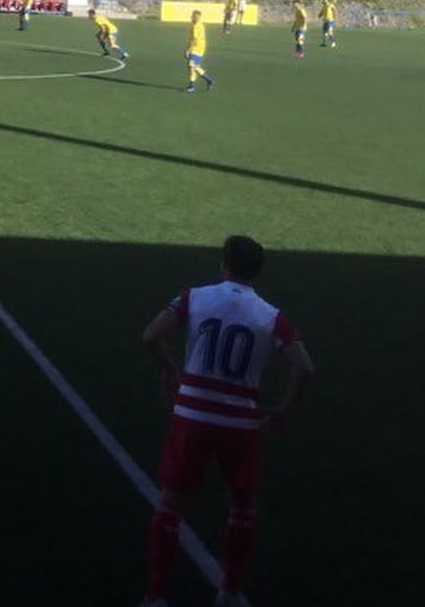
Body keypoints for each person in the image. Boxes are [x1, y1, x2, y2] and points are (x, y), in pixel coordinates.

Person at [138, 236, 314, 607]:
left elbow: (151, 335)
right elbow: (304, 367)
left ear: (224, 264)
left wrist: (172, 372)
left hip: (193, 414)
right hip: (241, 422)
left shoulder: (195, 297)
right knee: (243, 505)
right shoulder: (271, 316)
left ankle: (155, 595)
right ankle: (229, 591)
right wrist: (283, 410)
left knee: (171, 504)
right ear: (258, 272)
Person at [185, 8, 214, 93]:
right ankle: (209, 80)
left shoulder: (196, 26)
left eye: (194, 17)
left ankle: (191, 86)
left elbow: (194, 39)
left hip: (196, 48)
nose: (192, 18)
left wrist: (188, 50)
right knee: (194, 67)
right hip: (201, 48)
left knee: (191, 66)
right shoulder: (200, 25)